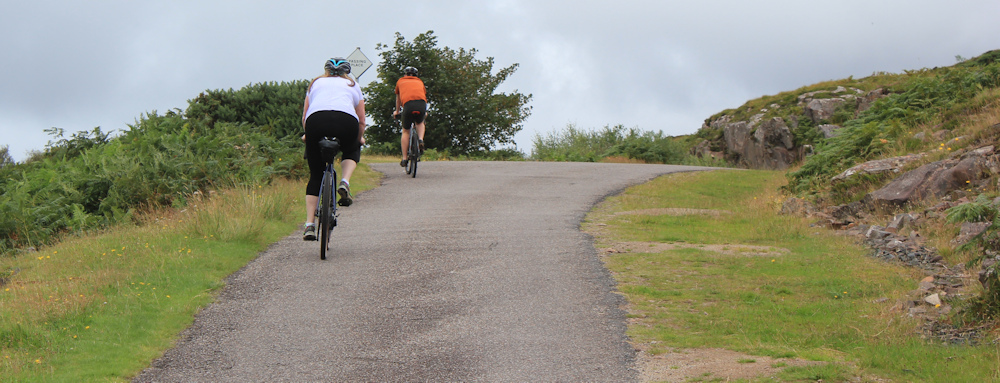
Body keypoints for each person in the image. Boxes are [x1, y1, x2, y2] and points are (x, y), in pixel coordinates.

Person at [301, 57, 366, 241]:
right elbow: (361, 120)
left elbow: (306, 115)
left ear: (326, 70)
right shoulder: (353, 84)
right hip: (346, 122)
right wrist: (358, 138)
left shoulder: (315, 83)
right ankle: (344, 181)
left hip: (316, 122)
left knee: (316, 174)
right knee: (352, 149)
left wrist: (308, 134)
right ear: (346, 72)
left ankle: (309, 225)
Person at [393, 66, 427, 168]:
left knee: (406, 131)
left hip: (408, 105)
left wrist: (397, 111)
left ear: (405, 74)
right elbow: (423, 96)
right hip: (421, 104)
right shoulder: (420, 82)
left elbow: (398, 99)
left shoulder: (400, 81)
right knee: (420, 122)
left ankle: (404, 158)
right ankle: (420, 139)